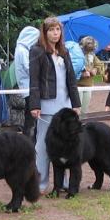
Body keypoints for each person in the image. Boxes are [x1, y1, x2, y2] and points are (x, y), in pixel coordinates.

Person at [29, 17, 81, 194]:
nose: (55, 33)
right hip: (46, 105)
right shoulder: (37, 51)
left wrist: (76, 104)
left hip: (64, 106)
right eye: (51, 30)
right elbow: (34, 80)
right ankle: (40, 183)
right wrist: (34, 105)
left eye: (57, 30)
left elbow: (71, 80)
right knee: (43, 146)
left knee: (65, 145)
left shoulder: (64, 51)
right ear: (45, 32)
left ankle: (63, 182)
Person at [14, 26, 40, 138]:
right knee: (30, 118)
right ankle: (28, 140)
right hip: (29, 88)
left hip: (28, 87)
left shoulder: (22, 49)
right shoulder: (22, 50)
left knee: (30, 117)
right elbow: (29, 68)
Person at [77, 36, 105, 114]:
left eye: (91, 50)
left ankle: (83, 125)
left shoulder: (92, 55)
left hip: (88, 85)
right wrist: (82, 74)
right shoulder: (76, 55)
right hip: (77, 86)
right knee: (77, 110)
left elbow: (100, 65)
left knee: (84, 110)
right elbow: (72, 69)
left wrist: (95, 70)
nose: (88, 52)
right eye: (87, 51)